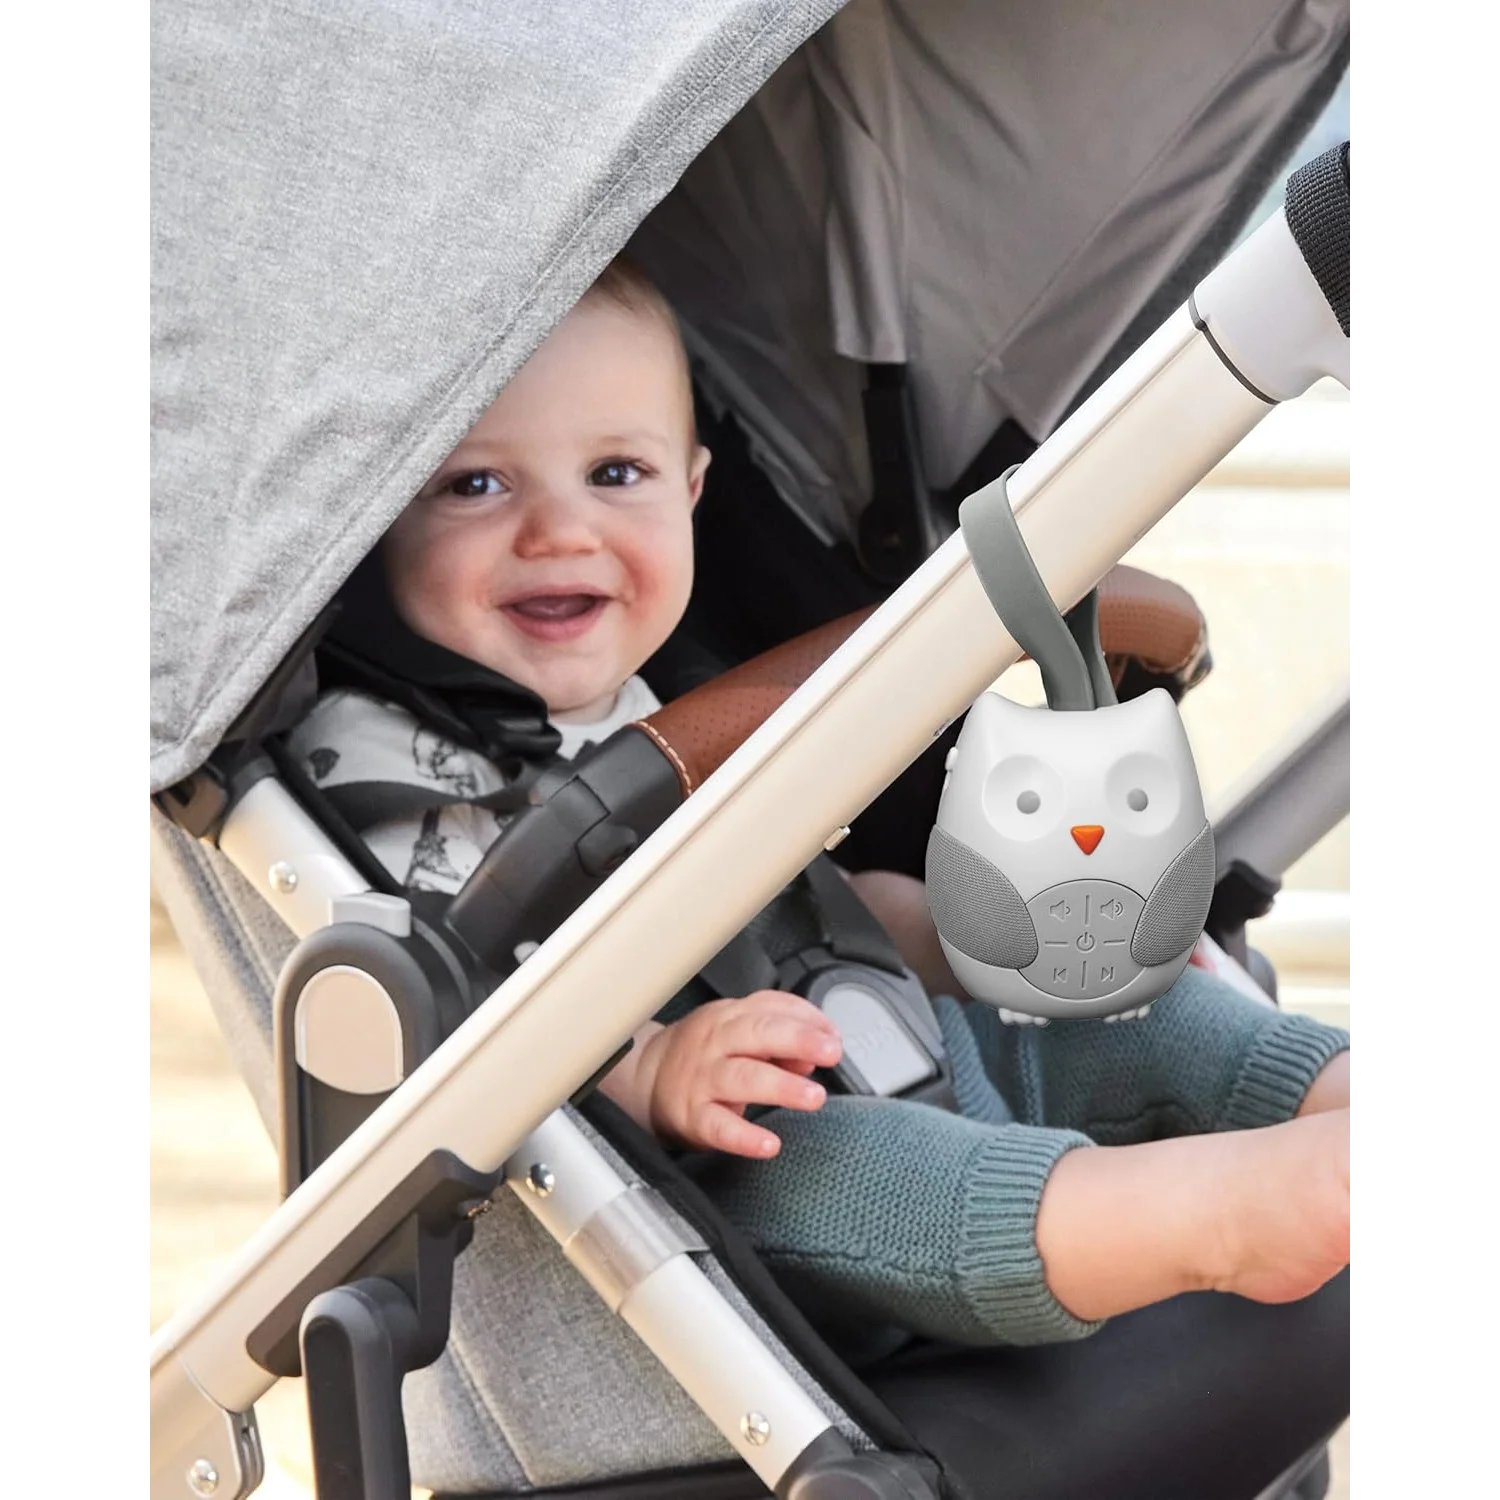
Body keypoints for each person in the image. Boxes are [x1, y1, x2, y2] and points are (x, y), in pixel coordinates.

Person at [288, 256, 1351, 1357]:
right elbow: (448, 1019)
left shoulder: (674, 697)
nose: (560, 532)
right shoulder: (379, 764)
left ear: (693, 491)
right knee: (888, 1176)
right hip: (733, 1185)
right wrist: (648, 1071)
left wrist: (935, 931)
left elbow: (807, 908)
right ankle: (1226, 1221)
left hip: (914, 1049)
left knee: (1154, 1022)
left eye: (615, 472)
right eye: (474, 485)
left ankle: (1330, 1109)